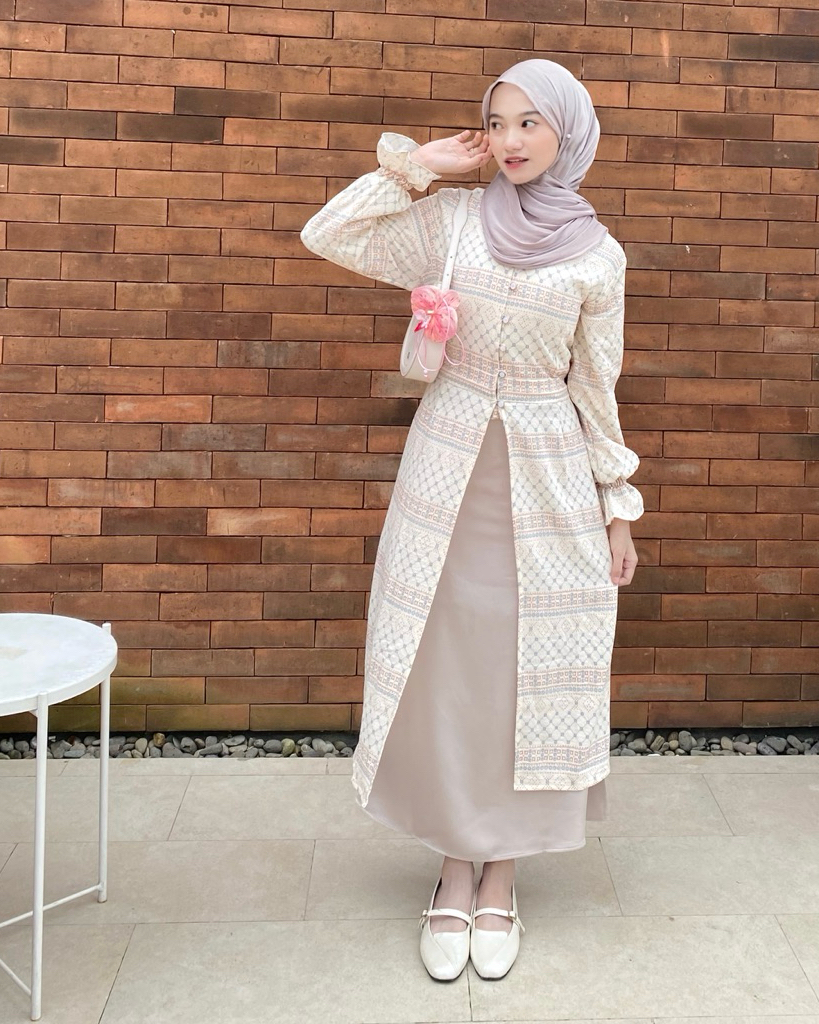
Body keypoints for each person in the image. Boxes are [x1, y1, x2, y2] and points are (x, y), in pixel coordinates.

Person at [300, 58, 643, 982]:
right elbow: (328, 232)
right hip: (448, 466)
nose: (512, 139)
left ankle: (504, 874)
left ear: (569, 130)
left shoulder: (598, 257)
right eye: (497, 122)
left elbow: (596, 388)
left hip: (549, 478)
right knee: (449, 664)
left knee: (526, 667)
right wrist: (419, 166)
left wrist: (617, 508)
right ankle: (456, 866)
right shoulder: (452, 222)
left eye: (532, 121)